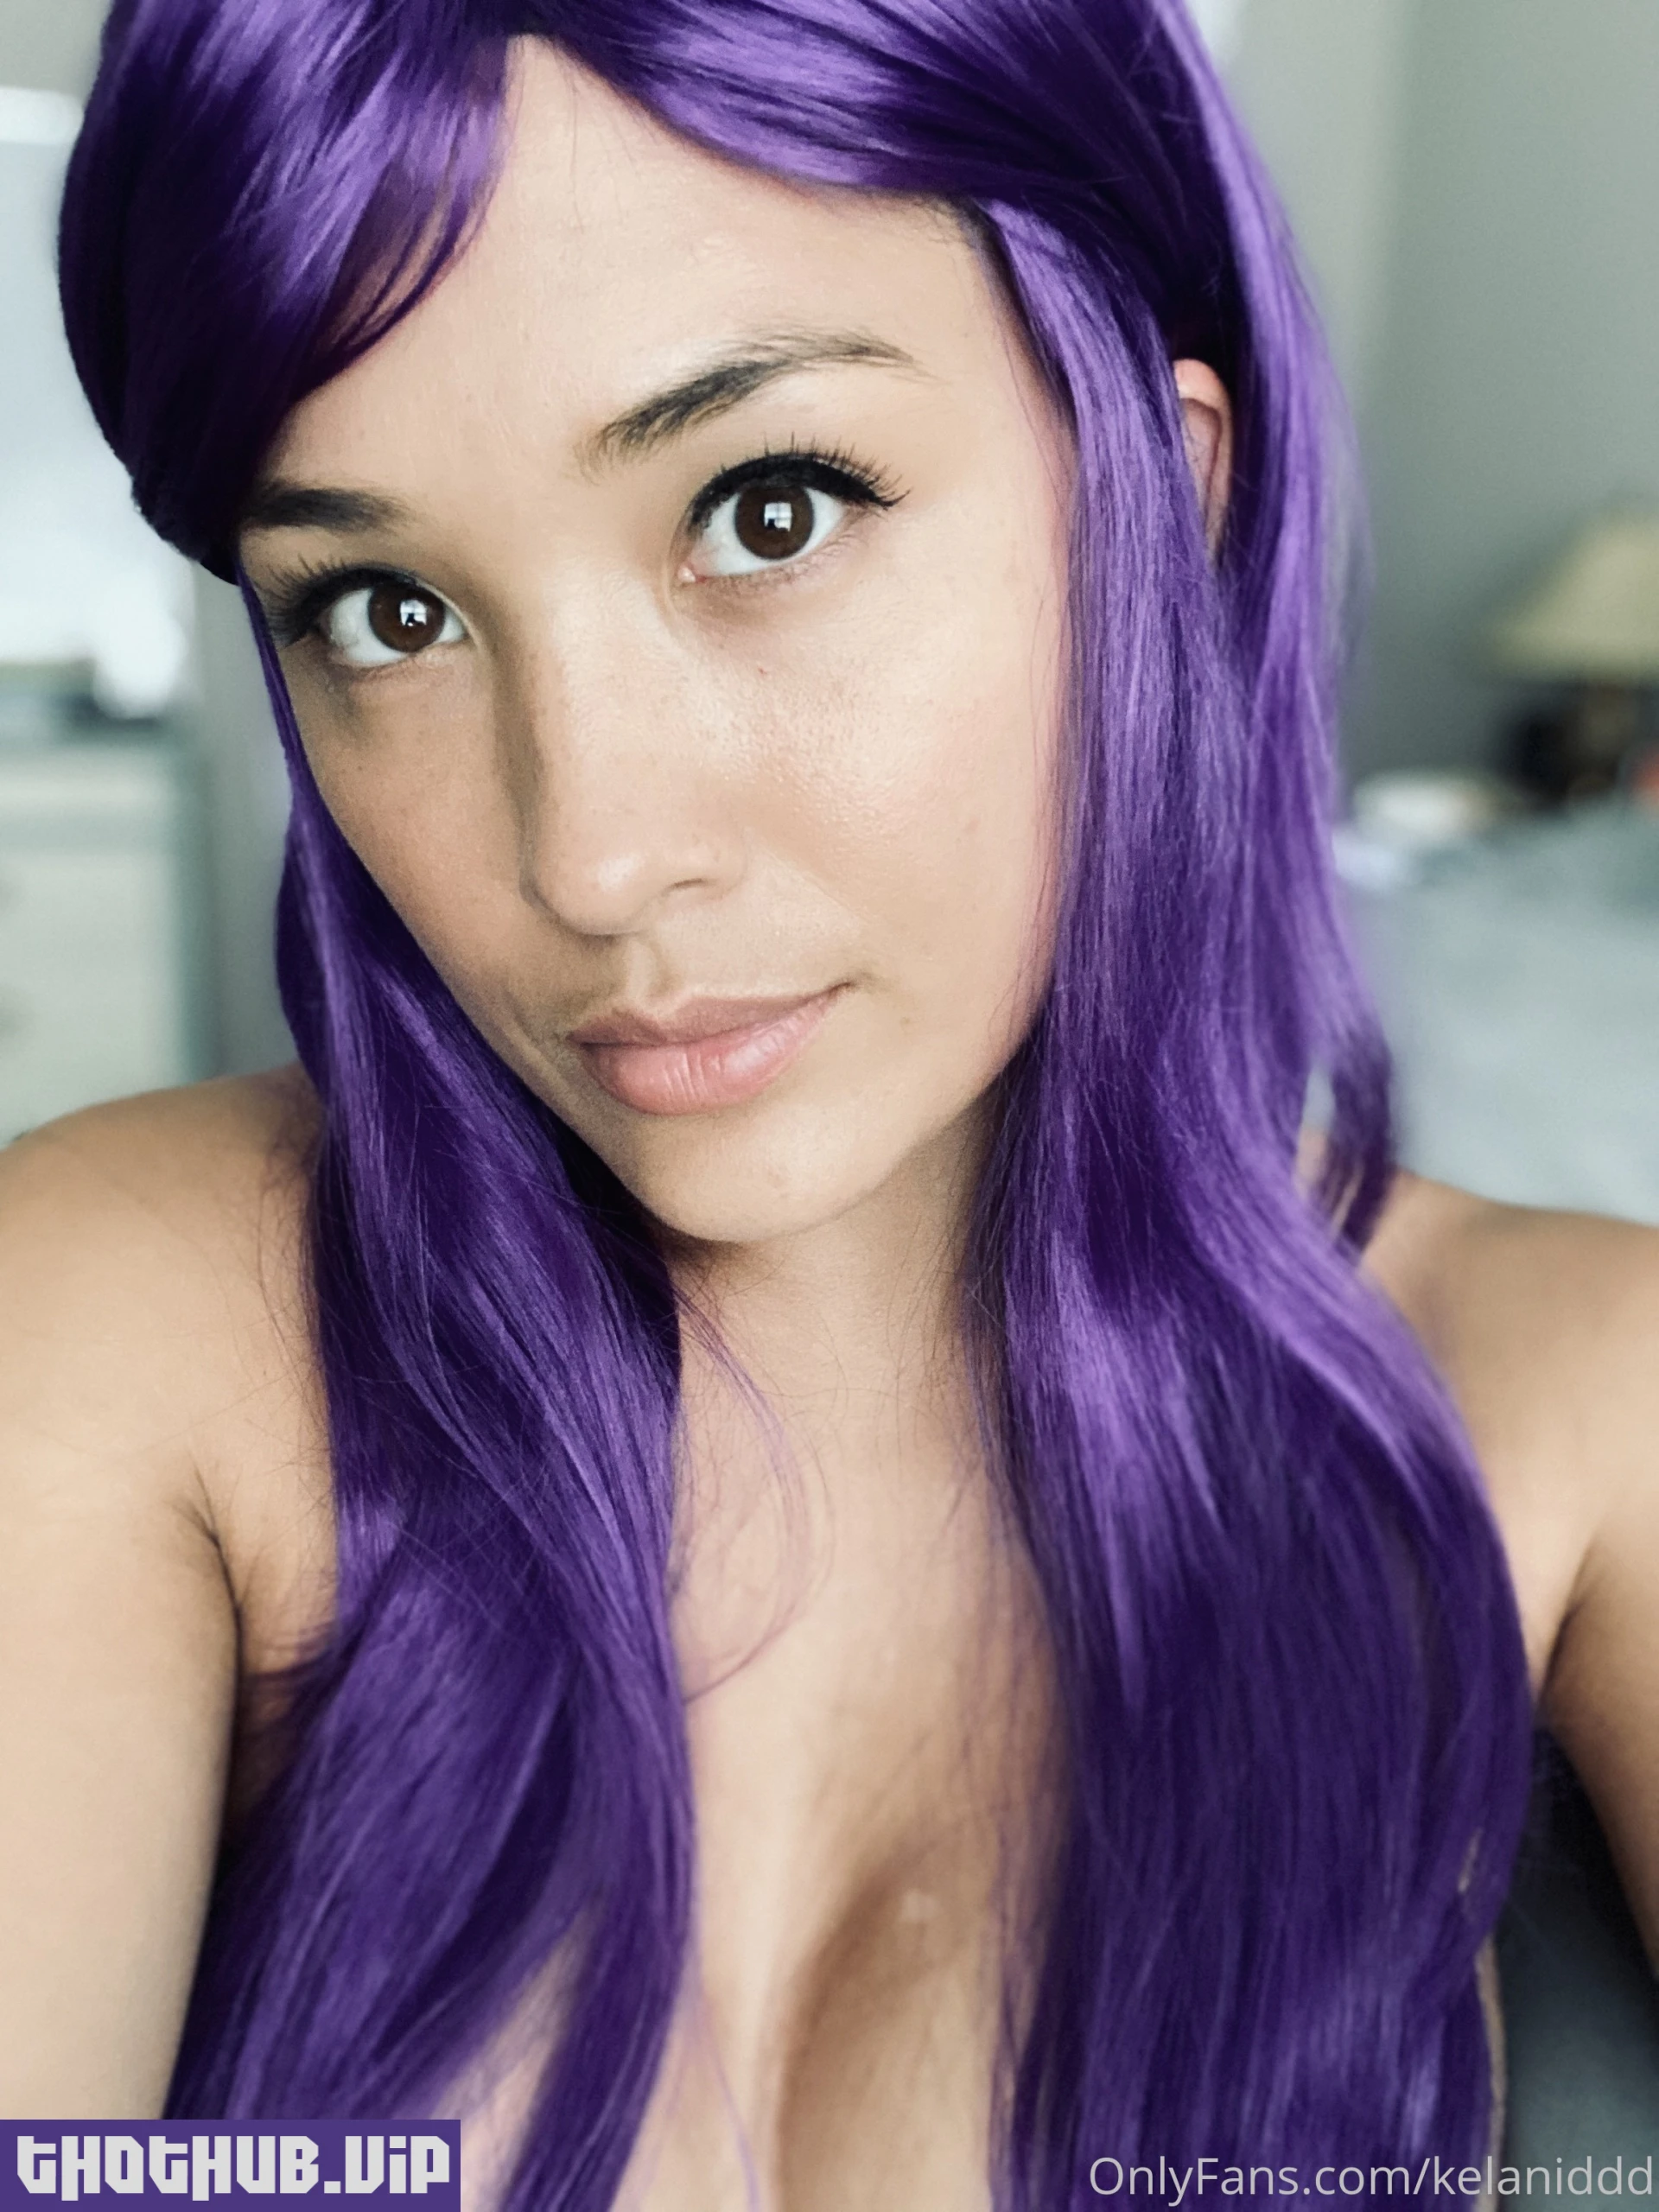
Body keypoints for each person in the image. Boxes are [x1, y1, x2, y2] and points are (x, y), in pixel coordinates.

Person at [2, 0, 1654, 2202]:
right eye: (384, 609)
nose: (593, 857)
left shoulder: (1591, 1408)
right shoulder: (116, 1318)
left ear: (1165, 485)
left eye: (766, 509)